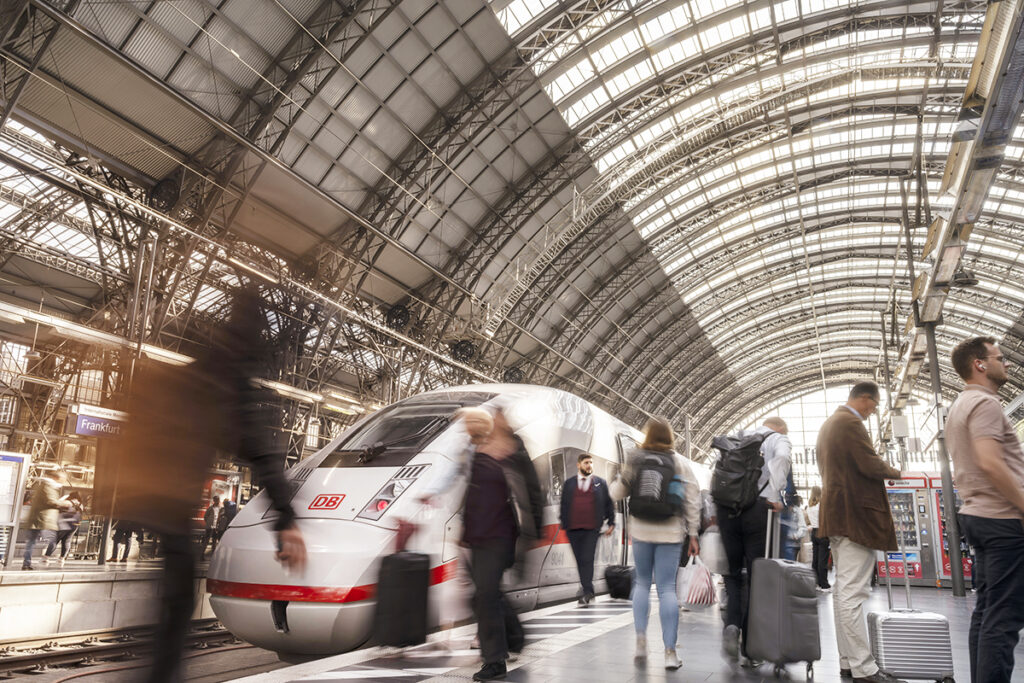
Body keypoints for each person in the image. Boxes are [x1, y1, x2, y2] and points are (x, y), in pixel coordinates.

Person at [94, 285, 307, 683]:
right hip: (172, 497)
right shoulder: (230, 381)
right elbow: (259, 451)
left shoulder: (198, 366)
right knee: (176, 604)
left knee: (170, 600)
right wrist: (286, 518)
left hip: (145, 490)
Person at [420, 405, 543, 682]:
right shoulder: (473, 451)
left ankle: (495, 661)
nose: (468, 429)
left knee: (486, 595)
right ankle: (514, 635)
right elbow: (458, 480)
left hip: (500, 535)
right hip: (476, 535)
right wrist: (433, 496)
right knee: (485, 594)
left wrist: (533, 531)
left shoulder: (514, 452)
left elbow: (533, 492)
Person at [946, 337, 1024, 683]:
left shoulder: (960, 405)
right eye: (999, 357)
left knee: (987, 612)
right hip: (1003, 519)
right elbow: (992, 463)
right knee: (1004, 619)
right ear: (980, 364)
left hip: (978, 515)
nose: (1006, 364)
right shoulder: (986, 404)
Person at [817, 381, 904, 683]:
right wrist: (897, 472)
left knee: (843, 591)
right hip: (855, 517)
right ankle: (864, 668)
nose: (873, 411)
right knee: (853, 594)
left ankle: (848, 660)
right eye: (874, 405)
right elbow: (868, 464)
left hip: (838, 515)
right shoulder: (850, 423)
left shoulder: (830, 424)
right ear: (865, 398)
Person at [610, 417, 700, 672]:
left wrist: (620, 479)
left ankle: (640, 641)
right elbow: (692, 501)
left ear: (647, 436)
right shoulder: (680, 463)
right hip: (670, 532)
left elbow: (616, 492)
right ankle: (670, 652)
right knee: (666, 589)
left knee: (641, 583)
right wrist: (693, 534)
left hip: (641, 530)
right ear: (670, 437)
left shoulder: (636, 458)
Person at [718, 416, 792, 663]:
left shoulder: (739, 435)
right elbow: (782, 458)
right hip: (758, 510)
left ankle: (731, 624)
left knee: (732, 572)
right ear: (780, 428)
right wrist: (775, 492)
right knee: (756, 575)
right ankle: (750, 647)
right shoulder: (778, 439)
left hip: (728, 509)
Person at [559, 452, 615, 606]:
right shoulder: (569, 484)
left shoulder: (600, 483)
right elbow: (564, 504)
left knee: (587, 559)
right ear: (579, 465)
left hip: (591, 530)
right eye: (586, 463)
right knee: (580, 560)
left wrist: (611, 522)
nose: (589, 465)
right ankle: (587, 589)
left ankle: (587, 591)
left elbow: (608, 504)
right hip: (573, 530)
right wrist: (564, 524)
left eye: (591, 462)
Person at [22, 469, 71, 570]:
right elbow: (51, 501)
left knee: (32, 541)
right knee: (51, 541)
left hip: (39, 519)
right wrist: (65, 503)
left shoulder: (48, 485)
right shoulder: (48, 486)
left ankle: (28, 563)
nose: (63, 481)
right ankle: (33, 561)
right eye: (63, 479)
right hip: (42, 520)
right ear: (57, 478)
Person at [44, 491, 84, 566]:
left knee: (55, 540)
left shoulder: (68, 502)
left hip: (63, 524)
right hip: (74, 526)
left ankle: (46, 558)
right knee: (67, 541)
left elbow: (57, 505)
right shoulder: (80, 504)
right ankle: (61, 559)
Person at [806, 485, 830, 591]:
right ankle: (824, 585)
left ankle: (815, 583)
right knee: (822, 560)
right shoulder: (821, 505)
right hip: (822, 532)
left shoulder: (809, 506)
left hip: (814, 533)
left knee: (815, 560)